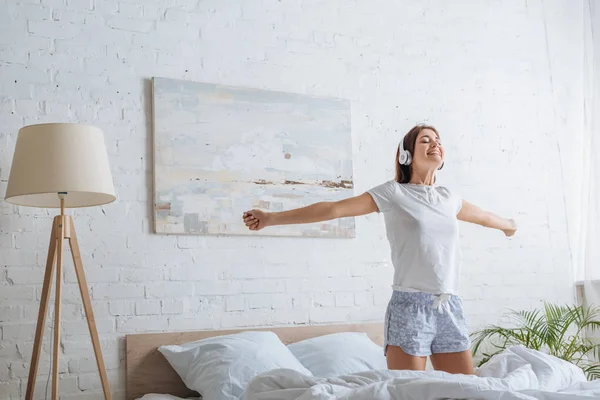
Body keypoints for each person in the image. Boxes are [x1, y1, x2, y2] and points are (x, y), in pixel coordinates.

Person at [242, 124, 517, 375]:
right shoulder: (393, 193)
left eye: (438, 140)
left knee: (466, 392)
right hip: (410, 307)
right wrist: (272, 218)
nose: (434, 143)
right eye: (425, 140)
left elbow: (482, 216)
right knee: (406, 392)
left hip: (449, 305)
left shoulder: (449, 198)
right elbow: (333, 209)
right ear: (406, 155)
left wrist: (508, 225)